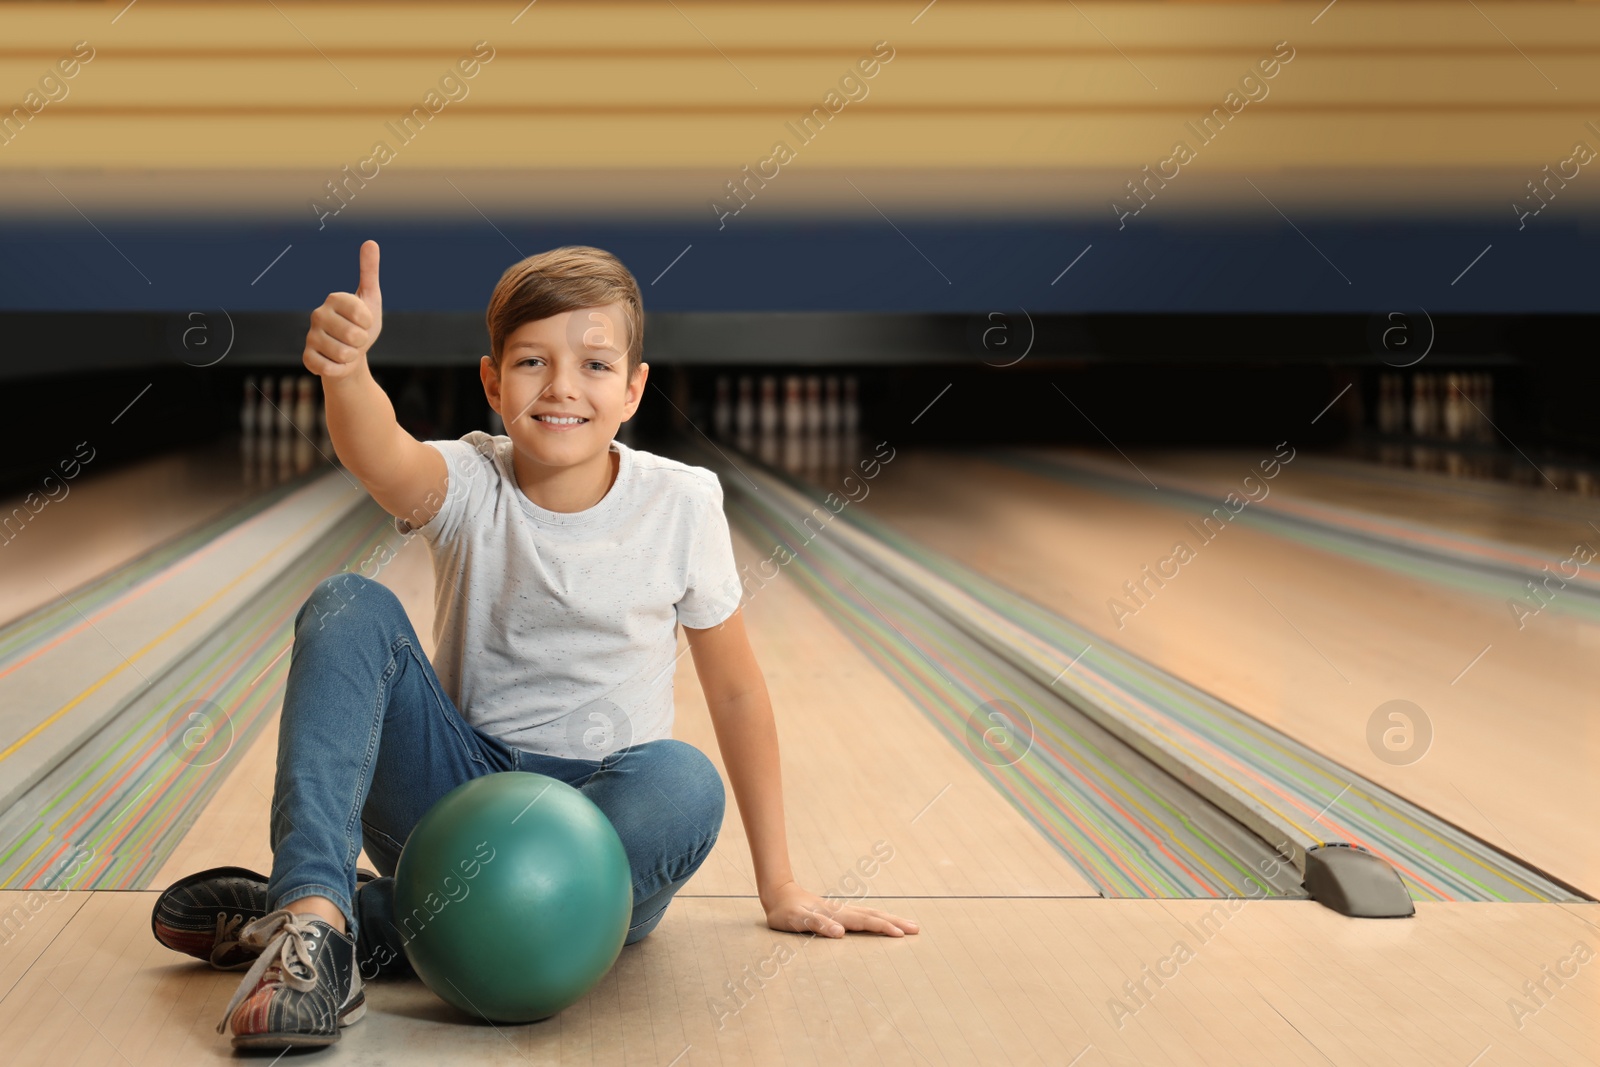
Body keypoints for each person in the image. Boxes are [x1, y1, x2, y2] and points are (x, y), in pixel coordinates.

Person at [150, 240, 919, 1050]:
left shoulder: (683, 503)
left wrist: (782, 883)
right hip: (449, 798)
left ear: (633, 389)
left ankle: (368, 914)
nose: (561, 387)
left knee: (683, 780)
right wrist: (346, 374)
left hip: (603, 821)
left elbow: (734, 692)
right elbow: (382, 456)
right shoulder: (470, 480)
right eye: (530, 362)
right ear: (491, 382)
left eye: (594, 365)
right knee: (348, 602)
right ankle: (313, 924)